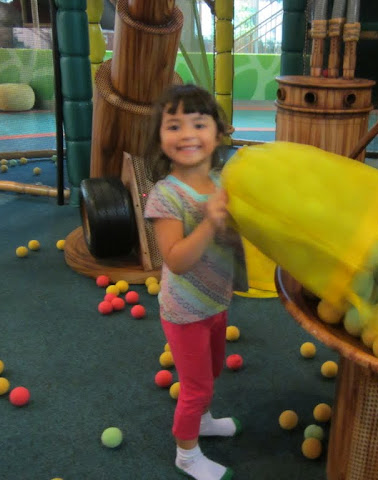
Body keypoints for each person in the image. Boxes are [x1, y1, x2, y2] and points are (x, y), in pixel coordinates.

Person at [143, 84, 247, 480]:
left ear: (219, 134)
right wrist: (210, 222)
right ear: (160, 138)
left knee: (213, 370)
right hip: (185, 311)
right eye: (174, 126)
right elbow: (176, 260)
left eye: (199, 124)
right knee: (196, 386)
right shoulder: (166, 196)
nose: (187, 134)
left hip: (216, 302)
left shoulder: (221, 181)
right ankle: (186, 455)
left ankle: (202, 420)